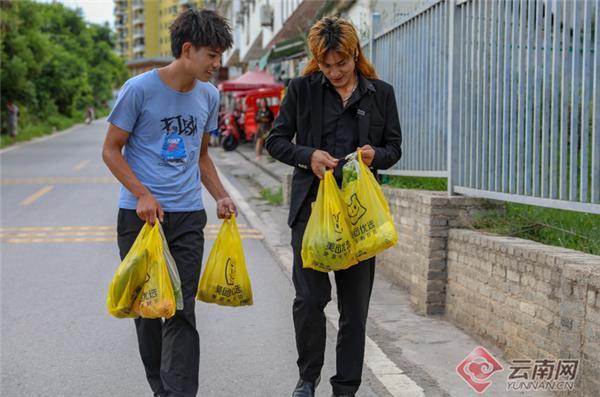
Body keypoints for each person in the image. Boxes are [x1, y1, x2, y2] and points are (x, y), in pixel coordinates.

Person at [102, 9, 236, 397]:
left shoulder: (208, 96)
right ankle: (160, 388)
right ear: (188, 49)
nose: (216, 64)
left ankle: (179, 393)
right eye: (211, 55)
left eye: (220, 55)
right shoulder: (139, 89)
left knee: (182, 309)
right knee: (148, 311)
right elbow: (111, 150)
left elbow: (202, 156)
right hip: (140, 218)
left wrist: (221, 195)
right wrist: (142, 193)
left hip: (188, 216)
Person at [265, 17, 402, 397]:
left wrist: (377, 155)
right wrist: (307, 156)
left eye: (341, 63)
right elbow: (276, 141)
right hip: (312, 212)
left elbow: (394, 148)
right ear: (317, 62)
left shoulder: (381, 93)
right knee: (309, 300)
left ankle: (345, 388)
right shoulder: (301, 90)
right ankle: (307, 378)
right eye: (326, 65)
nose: (335, 72)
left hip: (360, 215)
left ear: (354, 54)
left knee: (354, 310)